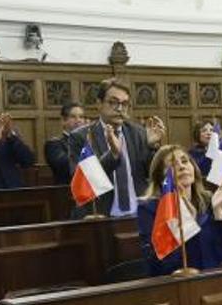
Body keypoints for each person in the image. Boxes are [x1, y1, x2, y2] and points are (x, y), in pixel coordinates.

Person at [66, 79, 166, 217]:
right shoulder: (81, 137)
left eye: (124, 104)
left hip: (138, 214)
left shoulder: (139, 133)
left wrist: (152, 147)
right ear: (99, 104)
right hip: (102, 216)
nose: (120, 108)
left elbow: (153, 173)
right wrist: (112, 155)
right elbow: (84, 180)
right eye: (113, 102)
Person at [135, 144, 222, 275]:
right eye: (172, 164)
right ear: (160, 177)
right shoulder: (150, 208)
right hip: (175, 286)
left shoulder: (206, 200)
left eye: (184, 161)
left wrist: (218, 211)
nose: (181, 166)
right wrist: (187, 219)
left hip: (211, 281)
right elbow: (157, 265)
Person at [44, 102, 85, 184]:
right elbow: (66, 166)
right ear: (63, 121)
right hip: (66, 191)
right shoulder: (54, 144)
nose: (79, 120)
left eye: (81, 117)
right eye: (73, 117)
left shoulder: (89, 141)